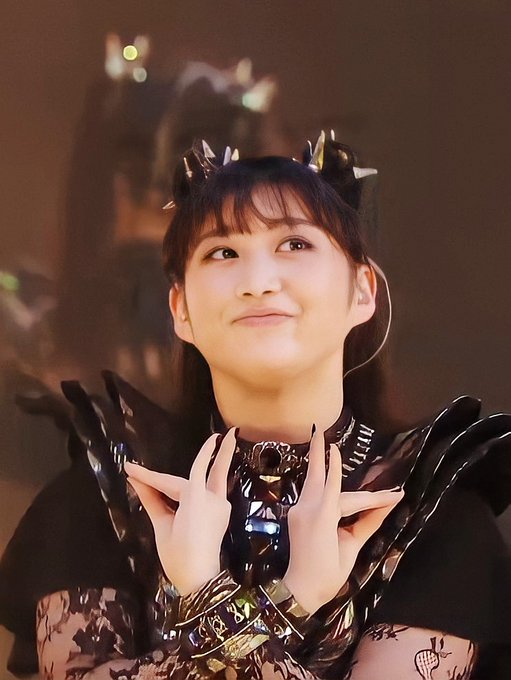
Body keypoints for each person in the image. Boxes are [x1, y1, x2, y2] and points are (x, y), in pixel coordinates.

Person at [1, 134, 510, 680]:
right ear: (181, 308)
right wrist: (291, 601)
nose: (258, 283)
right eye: (223, 252)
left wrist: (206, 594)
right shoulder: (112, 493)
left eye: (295, 244)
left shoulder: (431, 512)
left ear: (363, 291)